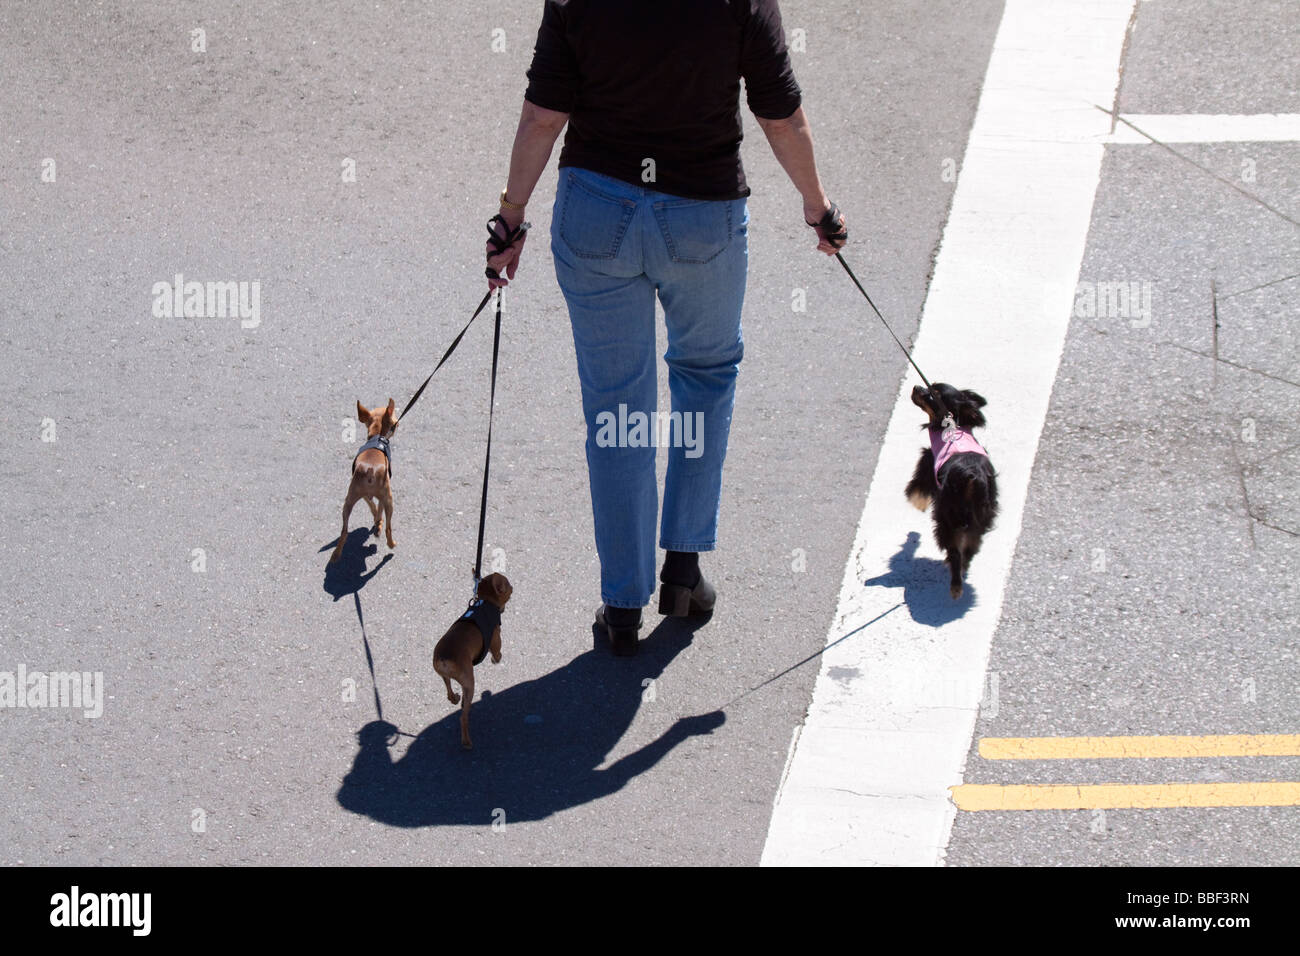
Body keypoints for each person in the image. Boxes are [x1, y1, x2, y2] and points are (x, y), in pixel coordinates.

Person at [485, 0, 846, 656]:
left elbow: (544, 116)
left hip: (596, 214)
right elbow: (782, 114)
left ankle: (623, 604)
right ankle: (682, 569)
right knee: (705, 378)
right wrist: (817, 206)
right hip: (700, 219)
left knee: (616, 405)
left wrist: (511, 217)